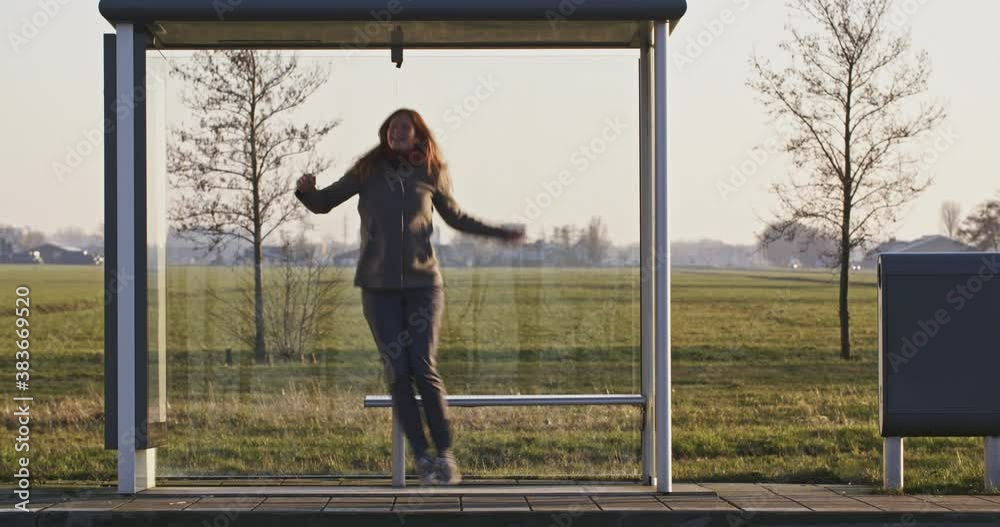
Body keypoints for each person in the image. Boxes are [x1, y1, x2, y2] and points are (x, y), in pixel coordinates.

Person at [294, 108, 525, 485]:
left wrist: (501, 233)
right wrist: (305, 191)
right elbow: (324, 202)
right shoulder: (366, 171)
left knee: (423, 366)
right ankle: (422, 457)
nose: (398, 132)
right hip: (378, 288)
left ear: (418, 135)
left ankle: (446, 456)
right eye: (392, 128)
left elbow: (457, 218)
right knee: (398, 373)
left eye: (406, 127)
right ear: (386, 134)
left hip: (423, 286)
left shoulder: (430, 172)